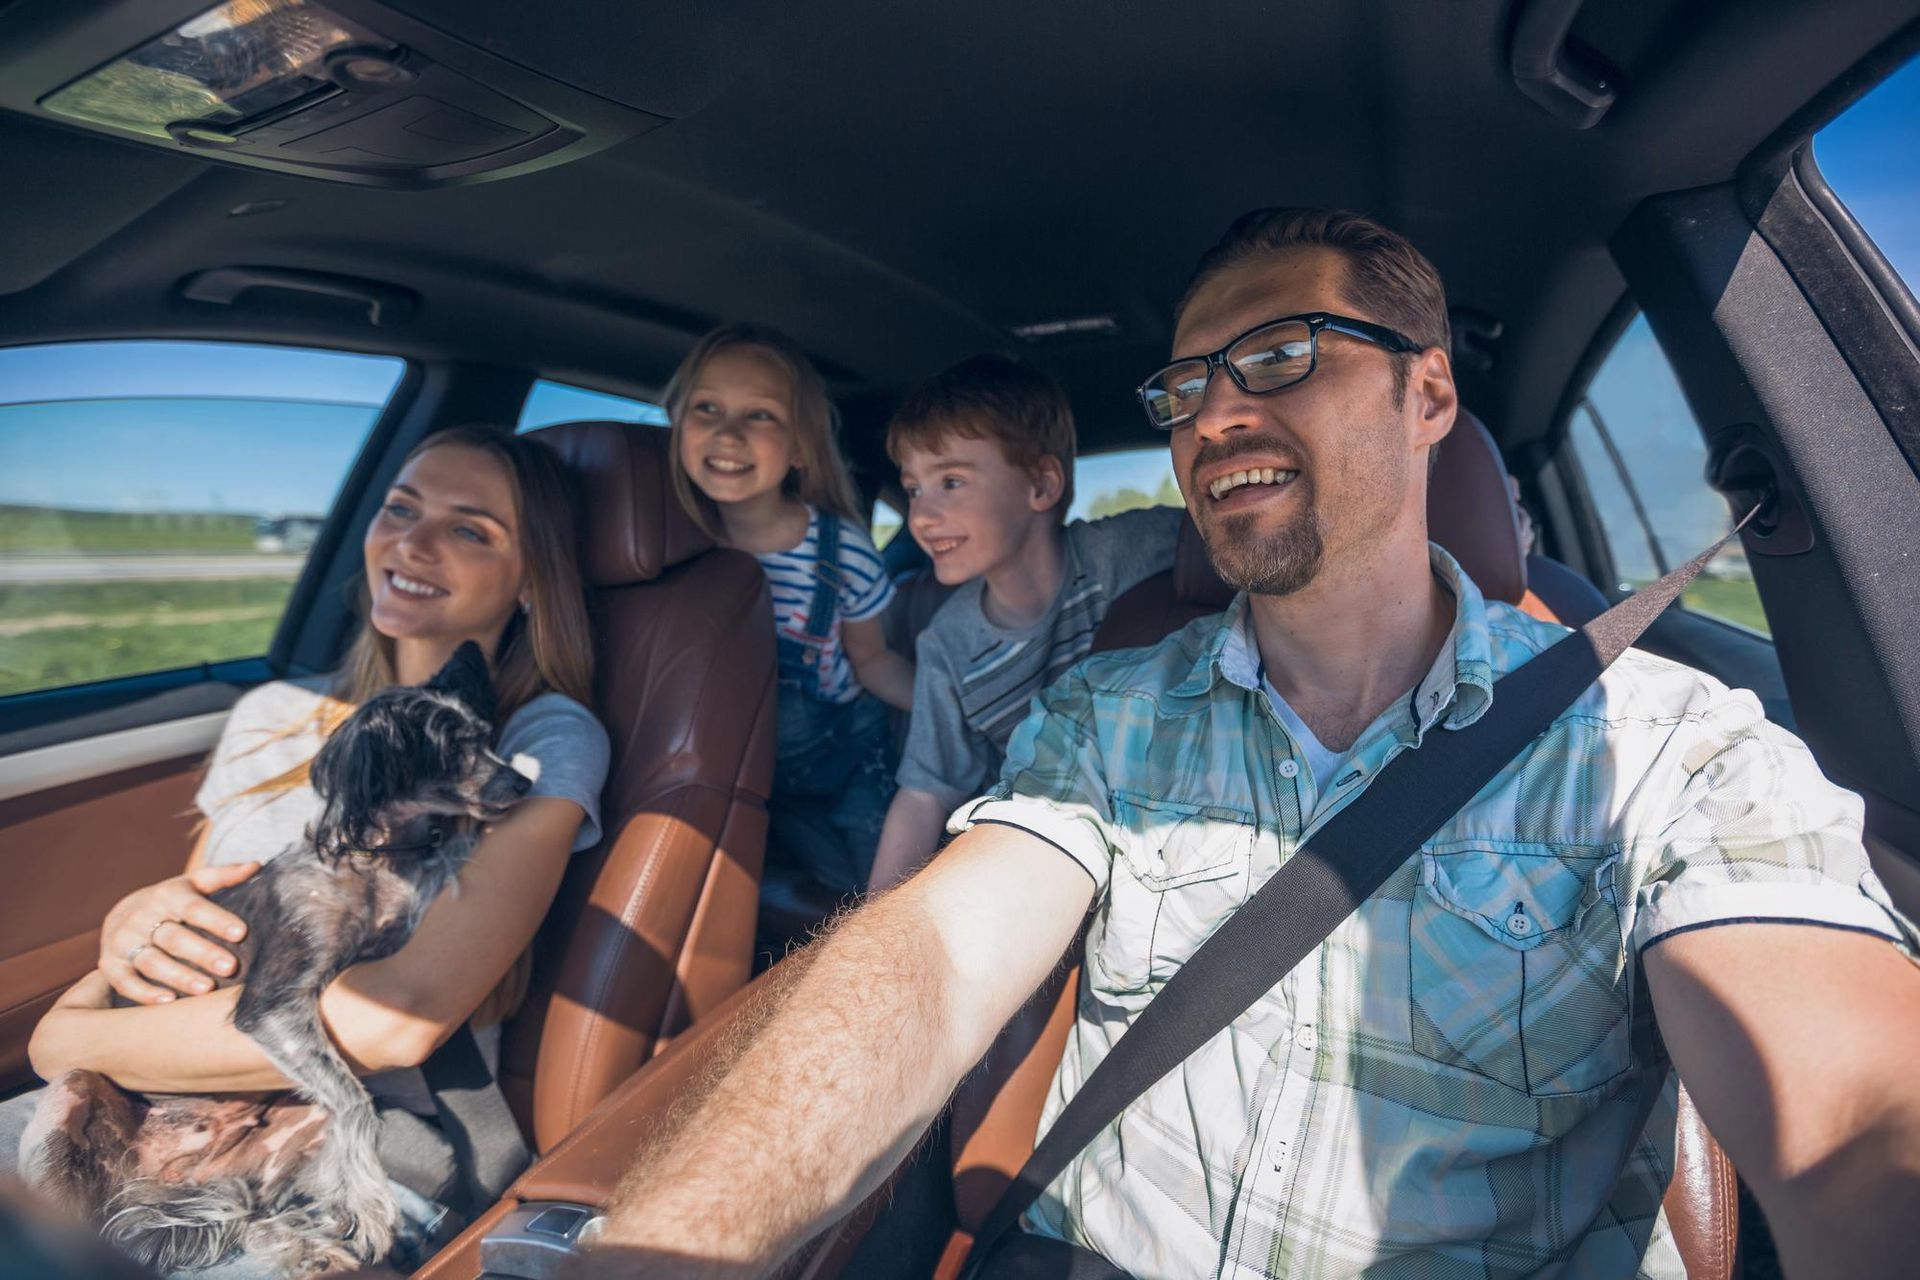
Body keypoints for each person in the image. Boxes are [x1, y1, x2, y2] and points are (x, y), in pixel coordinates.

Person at [581, 208, 1920, 1279]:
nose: (1214, 414)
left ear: (1429, 396)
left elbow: (1856, 1124)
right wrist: (667, 1248)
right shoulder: (1111, 716)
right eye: (1184, 386)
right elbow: (928, 957)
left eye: (1280, 358)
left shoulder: (1663, 748)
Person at [4, 425, 611, 1277]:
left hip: (343, 1147)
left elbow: (396, 1015)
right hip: (137, 1099)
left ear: (531, 582)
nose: (412, 540)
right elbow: (209, 925)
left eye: (471, 529)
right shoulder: (273, 714)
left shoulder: (540, 741)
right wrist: (132, 928)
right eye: (400, 509)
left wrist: (66, 1038)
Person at [866, 355, 1182, 891]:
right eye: (914, 489)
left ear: (1040, 485)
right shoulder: (948, 642)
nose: (920, 515)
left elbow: (1229, 553)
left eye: (951, 481)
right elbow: (926, 791)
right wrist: (867, 925)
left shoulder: (1124, 553)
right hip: (1039, 858)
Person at [666, 323, 912, 895]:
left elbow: (873, 661)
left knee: (873, 892)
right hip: (747, 769)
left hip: (846, 759)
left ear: (801, 446)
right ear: (677, 426)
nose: (728, 433)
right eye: (707, 408)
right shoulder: (670, 545)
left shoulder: (840, 549)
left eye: (761, 415)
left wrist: (947, 705)